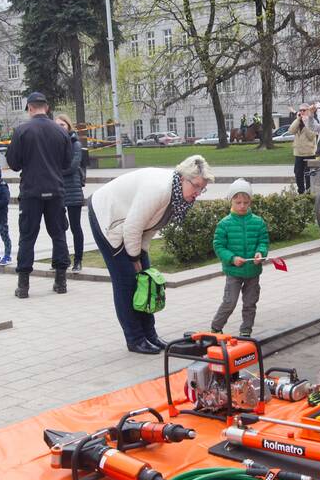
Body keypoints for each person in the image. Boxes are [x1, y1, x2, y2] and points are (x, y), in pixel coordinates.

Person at [89, 155, 213, 354]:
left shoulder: (176, 194)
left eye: (202, 188)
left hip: (130, 226)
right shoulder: (159, 189)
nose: (198, 193)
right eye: (196, 186)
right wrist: (133, 259)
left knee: (146, 281)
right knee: (127, 283)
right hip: (108, 218)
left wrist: (140, 256)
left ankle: (150, 335)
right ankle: (135, 339)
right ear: (183, 178)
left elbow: (150, 226)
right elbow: (132, 227)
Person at [5, 91, 73, 298]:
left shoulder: (22, 131)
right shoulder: (60, 131)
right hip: (55, 190)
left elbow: (14, 164)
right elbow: (67, 163)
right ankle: (61, 281)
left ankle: (23, 285)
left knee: (27, 237)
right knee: (58, 234)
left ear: (30, 108)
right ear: (47, 107)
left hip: (31, 191)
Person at [211, 179, 269, 337]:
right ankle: (216, 327)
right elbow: (219, 246)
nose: (242, 206)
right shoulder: (224, 224)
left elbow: (263, 242)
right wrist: (232, 258)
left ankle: (246, 331)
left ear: (250, 201)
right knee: (230, 302)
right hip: (233, 272)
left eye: (245, 202)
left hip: (253, 271)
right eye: (238, 202)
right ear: (231, 201)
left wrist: (260, 254)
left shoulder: (258, 222)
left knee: (250, 303)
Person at [55, 114, 86, 272]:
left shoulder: (75, 144)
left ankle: (78, 260)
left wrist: (55, 171)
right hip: (57, 190)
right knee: (58, 227)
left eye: (62, 125)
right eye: (57, 125)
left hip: (72, 189)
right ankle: (60, 259)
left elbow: (72, 167)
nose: (60, 127)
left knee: (75, 227)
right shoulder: (52, 143)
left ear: (68, 126)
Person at [288, 104, 318, 194]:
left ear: (308, 111)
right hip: (298, 153)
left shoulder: (312, 121)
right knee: (298, 174)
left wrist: (306, 124)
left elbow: (311, 136)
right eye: (300, 110)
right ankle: (301, 191)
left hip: (309, 153)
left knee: (308, 175)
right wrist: (298, 119)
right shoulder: (298, 121)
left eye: (304, 110)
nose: (301, 112)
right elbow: (291, 130)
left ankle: (309, 192)